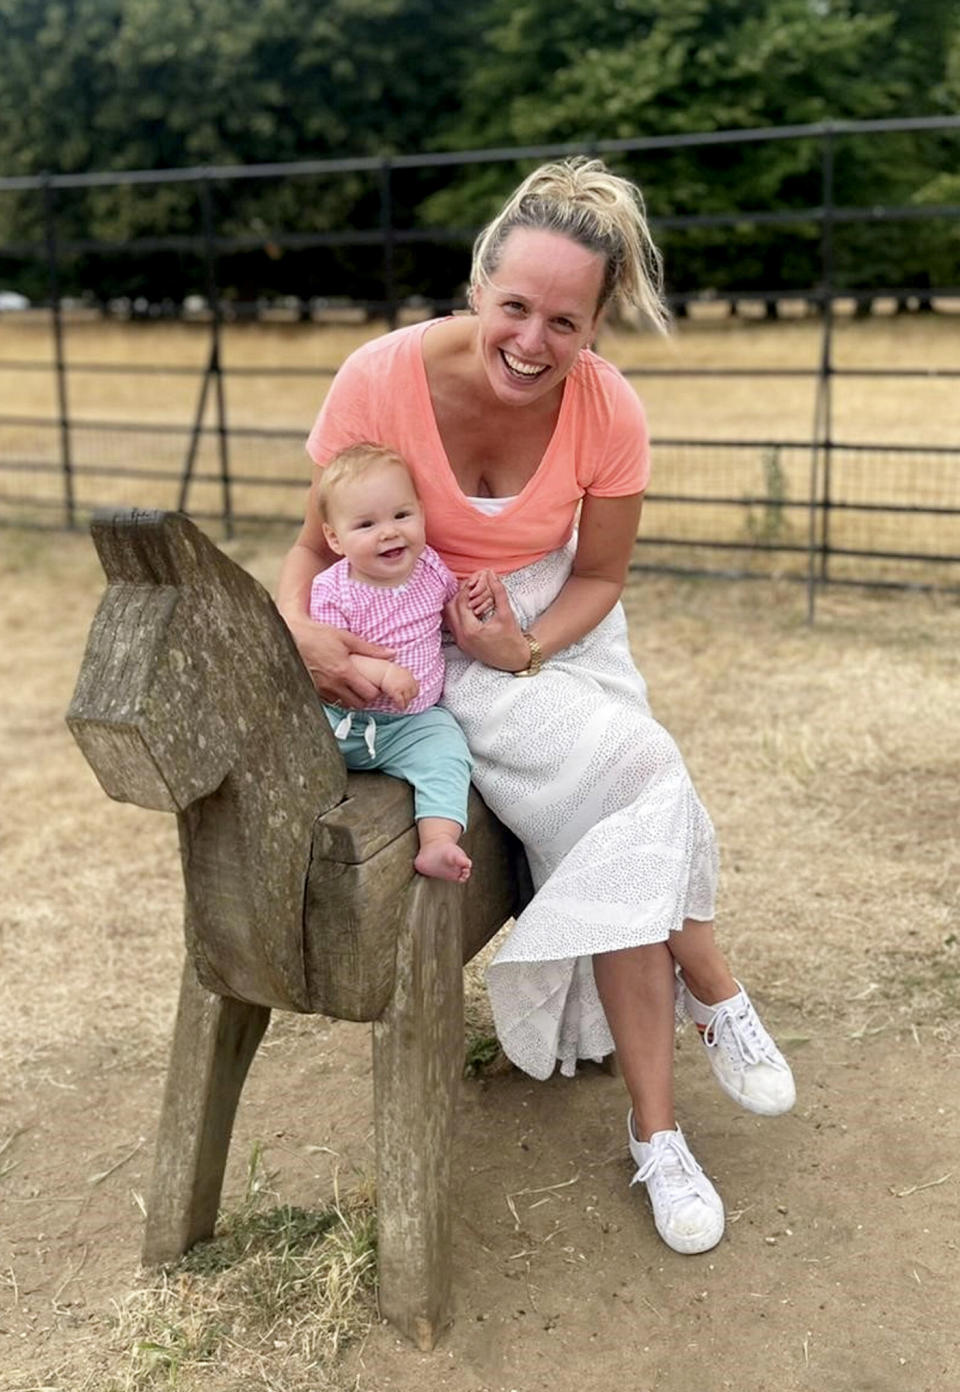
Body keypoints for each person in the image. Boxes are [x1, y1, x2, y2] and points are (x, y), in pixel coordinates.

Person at [277, 157, 796, 1256]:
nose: (531, 340)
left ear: (597, 325)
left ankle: (662, 1132)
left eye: (565, 321)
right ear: (477, 288)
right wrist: (304, 631)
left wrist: (524, 646)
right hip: (433, 637)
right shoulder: (377, 377)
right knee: (644, 775)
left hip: (557, 631)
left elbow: (601, 580)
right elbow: (317, 541)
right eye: (514, 306)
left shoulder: (610, 412)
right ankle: (708, 987)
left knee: (629, 795)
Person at [309, 441, 492, 882]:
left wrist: (472, 601)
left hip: (412, 724)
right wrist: (384, 672)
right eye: (367, 524)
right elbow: (336, 655)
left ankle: (438, 842)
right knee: (288, 741)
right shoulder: (333, 590)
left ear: (422, 514)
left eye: (401, 516)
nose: (389, 532)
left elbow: (450, 612)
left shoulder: (430, 568)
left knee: (447, 753)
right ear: (335, 538)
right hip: (338, 720)